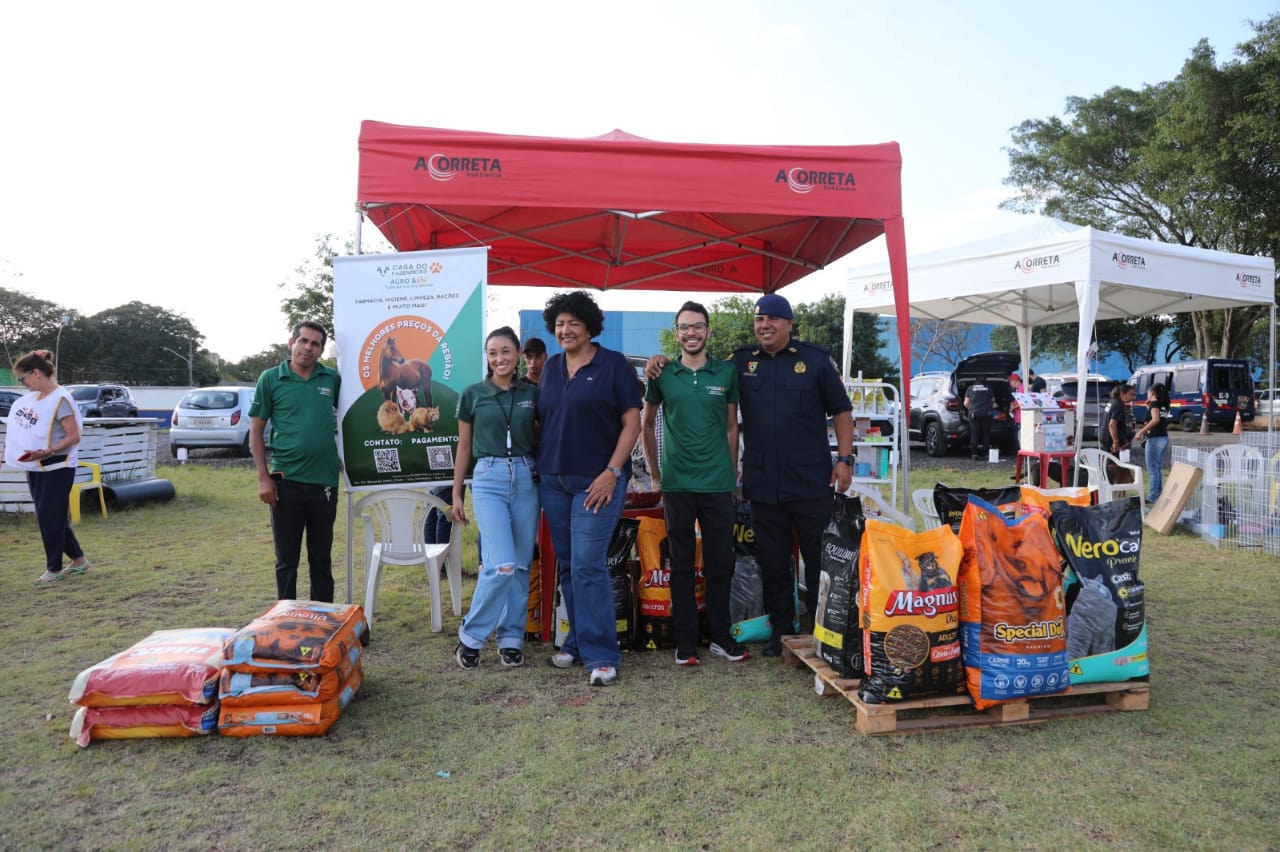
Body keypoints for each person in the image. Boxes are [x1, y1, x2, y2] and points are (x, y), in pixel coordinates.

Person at [731, 294, 853, 657]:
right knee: (772, 560)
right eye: (758, 319)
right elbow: (700, 369)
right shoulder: (740, 362)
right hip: (764, 480)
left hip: (811, 479)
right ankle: (781, 630)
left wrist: (845, 459)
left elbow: (842, 412)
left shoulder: (814, 361)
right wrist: (660, 363)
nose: (763, 325)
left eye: (771, 319)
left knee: (818, 560)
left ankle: (823, 629)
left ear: (788, 324)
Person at [537, 291, 642, 686]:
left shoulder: (613, 364)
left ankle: (601, 655)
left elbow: (632, 423)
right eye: (560, 324)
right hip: (554, 481)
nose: (565, 330)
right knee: (568, 564)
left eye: (573, 323)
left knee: (587, 564)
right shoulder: (550, 367)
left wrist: (613, 471)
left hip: (598, 482)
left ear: (588, 327)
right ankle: (577, 641)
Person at [640, 301, 748, 666]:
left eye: (698, 326)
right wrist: (655, 474)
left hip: (718, 485)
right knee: (682, 566)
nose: (691, 332)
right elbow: (645, 424)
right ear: (676, 333)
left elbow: (733, 427)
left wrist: (732, 476)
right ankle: (685, 643)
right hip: (678, 485)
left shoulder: (726, 373)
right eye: (684, 327)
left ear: (708, 331)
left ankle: (720, 638)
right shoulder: (663, 374)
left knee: (721, 564)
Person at [452, 327, 540, 670]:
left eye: (506, 351)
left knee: (519, 566)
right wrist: (457, 492)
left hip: (525, 477)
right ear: (486, 357)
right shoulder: (472, 394)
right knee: (500, 565)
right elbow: (463, 446)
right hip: (487, 478)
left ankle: (511, 639)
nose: (499, 358)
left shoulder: (532, 393)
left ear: (518, 354)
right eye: (492, 353)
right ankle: (471, 636)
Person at [250, 320, 341, 603]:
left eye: (316, 344)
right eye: (304, 341)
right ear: (292, 343)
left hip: (324, 481)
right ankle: (285, 620)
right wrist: (264, 477)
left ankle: (322, 620)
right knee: (287, 560)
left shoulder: (331, 379)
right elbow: (256, 429)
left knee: (321, 558)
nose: (308, 348)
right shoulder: (271, 378)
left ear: (321, 350)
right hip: (284, 480)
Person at [3, 350, 90, 585]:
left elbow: (74, 436)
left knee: (49, 517)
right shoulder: (34, 399)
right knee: (51, 516)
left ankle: (54, 569)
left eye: (23, 379)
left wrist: (48, 451)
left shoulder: (60, 399)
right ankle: (79, 559)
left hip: (57, 466)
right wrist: (7, 453)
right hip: (35, 465)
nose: (23, 384)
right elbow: (23, 432)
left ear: (36, 373)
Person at [1132, 383, 1170, 504]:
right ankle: (1157, 494)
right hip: (1163, 437)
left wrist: (1141, 432)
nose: (1147, 394)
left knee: (1152, 468)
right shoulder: (1162, 405)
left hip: (1155, 438)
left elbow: (1155, 420)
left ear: (1153, 393)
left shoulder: (1154, 405)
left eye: (1148, 392)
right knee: (1156, 468)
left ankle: (1153, 496)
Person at [1099, 383, 1136, 456]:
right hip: (1110, 438)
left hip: (1104, 435)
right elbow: (1112, 425)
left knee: (1109, 459)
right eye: (1131, 394)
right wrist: (1115, 441)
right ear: (1122, 394)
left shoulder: (1112, 401)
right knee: (1114, 462)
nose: (1133, 397)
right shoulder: (1118, 405)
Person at [963, 377, 995, 461]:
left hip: (974, 414)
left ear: (975, 381)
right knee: (986, 434)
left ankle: (974, 454)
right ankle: (986, 455)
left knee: (974, 434)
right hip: (987, 413)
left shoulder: (970, 388)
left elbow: (966, 403)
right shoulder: (989, 388)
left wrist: (971, 408)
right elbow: (993, 400)